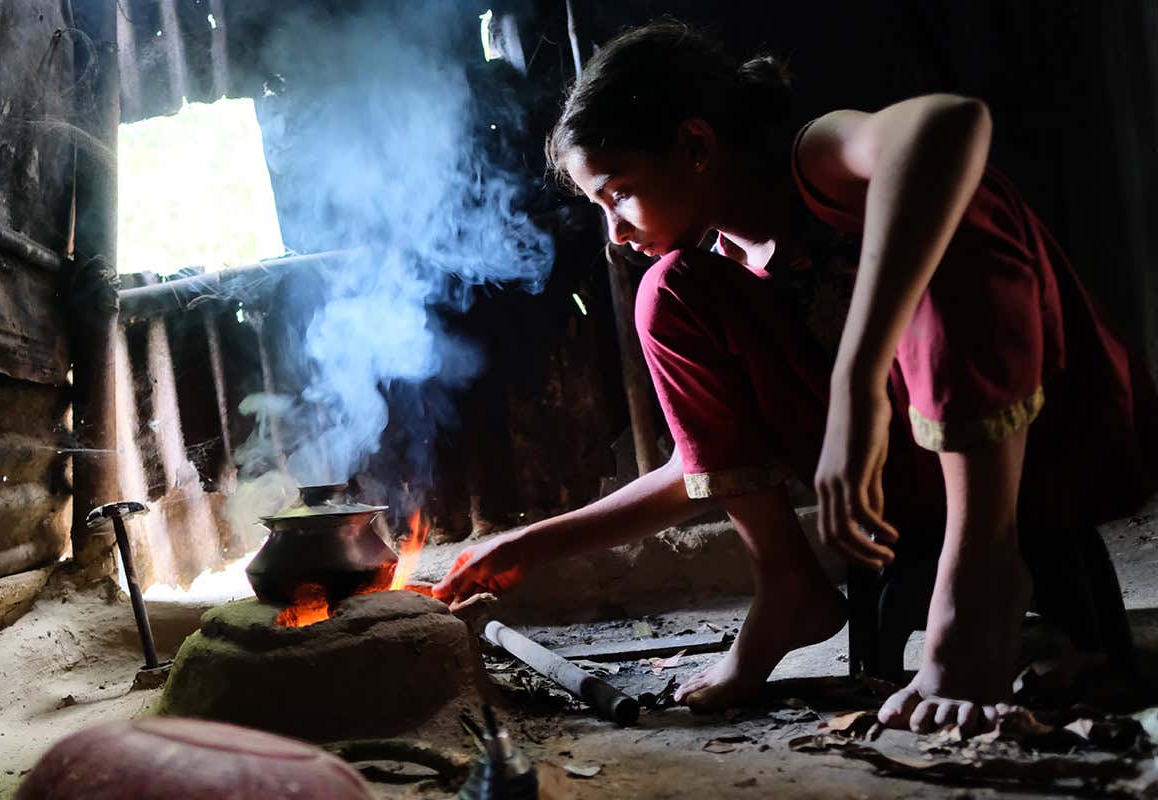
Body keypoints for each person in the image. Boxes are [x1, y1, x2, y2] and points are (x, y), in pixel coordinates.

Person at [433, 21, 1158, 733]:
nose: (615, 231)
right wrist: (527, 547)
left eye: (618, 192)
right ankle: (786, 581)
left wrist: (856, 381)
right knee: (666, 294)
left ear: (695, 145)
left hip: (1051, 438)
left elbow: (951, 125)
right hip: (907, 480)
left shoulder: (815, 161)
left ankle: (979, 580)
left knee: (947, 207)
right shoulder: (724, 269)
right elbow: (703, 466)